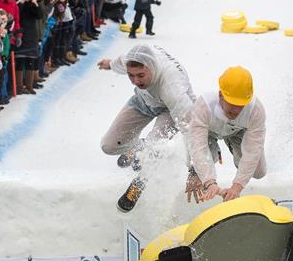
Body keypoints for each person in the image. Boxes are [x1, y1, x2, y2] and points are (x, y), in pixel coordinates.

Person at [97, 44, 195, 212]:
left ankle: (139, 183)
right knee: (109, 146)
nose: (136, 81)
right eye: (131, 76)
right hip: (144, 101)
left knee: (154, 148)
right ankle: (139, 148)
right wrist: (111, 64)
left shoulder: (173, 88)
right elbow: (123, 60)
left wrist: (195, 167)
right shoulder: (134, 57)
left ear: (152, 67)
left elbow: (191, 129)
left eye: (141, 75)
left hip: (170, 111)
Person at [187, 67, 267, 203]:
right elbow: (197, 145)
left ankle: (235, 151)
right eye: (232, 103)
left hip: (237, 132)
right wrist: (209, 182)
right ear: (220, 95)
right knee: (202, 166)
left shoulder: (256, 111)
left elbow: (253, 151)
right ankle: (197, 171)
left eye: (241, 105)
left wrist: (237, 186)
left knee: (259, 172)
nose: (236, 110)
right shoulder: (204, 105)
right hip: (209, 134)